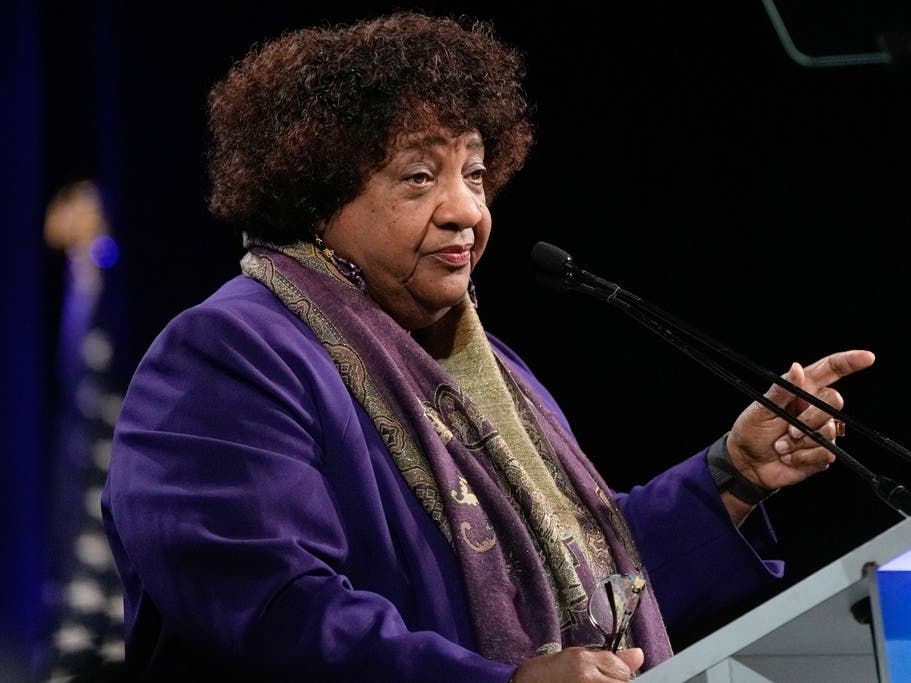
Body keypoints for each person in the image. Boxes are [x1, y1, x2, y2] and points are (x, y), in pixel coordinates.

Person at [100, 11, 875, 683]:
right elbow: (268, 609)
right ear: (316, 196)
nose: (465, 210)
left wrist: (733, 475)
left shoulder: (487, 366)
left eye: (474, 172)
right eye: (418, 177)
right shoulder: (229, 352)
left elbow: (594, 584)